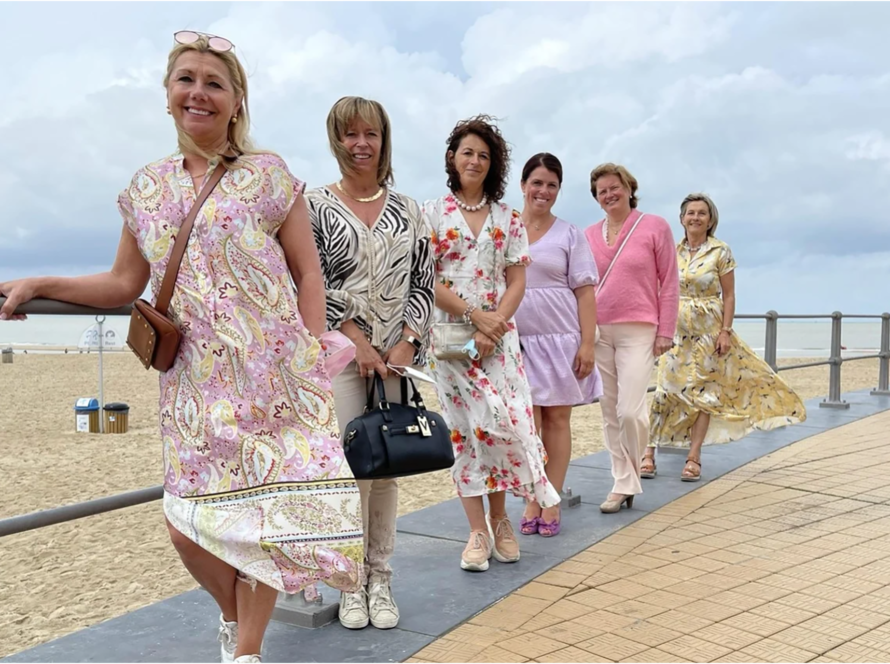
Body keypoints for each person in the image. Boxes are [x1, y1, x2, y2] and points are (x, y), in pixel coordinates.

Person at [0, 31, 364, 664]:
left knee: (268, 520)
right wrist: (41, 283)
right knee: (184, 523)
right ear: (168, 93)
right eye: (186, 80)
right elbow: (123, 283)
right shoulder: (147, 188)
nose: (199, 93)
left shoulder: (269, 174)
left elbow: (309, 272)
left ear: (237, 100)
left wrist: (310, 350)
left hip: (276, 379)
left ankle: (245, 652)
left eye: (214, 83)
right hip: (193, 387)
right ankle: (234, 616)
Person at [306, 96, 435, 630]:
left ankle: (380, 577)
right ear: (336, 140)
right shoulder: (314, 206)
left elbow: (423, 282)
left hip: (398, 360)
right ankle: (349, 582)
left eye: (371, 134)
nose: (361, 144)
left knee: (387, 469)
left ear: (384, 140)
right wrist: (357, 341)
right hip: (342, 357)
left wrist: (407, 343)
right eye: (350, 134)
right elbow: (311, 282)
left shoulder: (409, 209)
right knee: (351, 469)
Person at [423, 115, 560, 572]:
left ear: (493, 163)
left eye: (483, 155)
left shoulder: (508, 218)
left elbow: (517, 279)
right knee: (464, 432)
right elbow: (426, 279)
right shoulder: (432, 213)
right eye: (467, 152)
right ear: (452, 157)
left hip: (499, 341)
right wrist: (472, 316)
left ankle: (501, 520)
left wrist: (492, 325)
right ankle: (476, 530)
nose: (475, 161)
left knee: (501, 425)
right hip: (450, 341)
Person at [646, 193, 806, 480]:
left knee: (704, 394)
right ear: (681, 219)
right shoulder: (671, 250)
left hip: (708, 333)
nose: (695, 217)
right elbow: (660, 290)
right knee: (664, 391)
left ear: (710, 220)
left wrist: (725, 332)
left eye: (702, 213)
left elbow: (729, 295)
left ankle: (694, 456)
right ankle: (648, 452)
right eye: (690, 213)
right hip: (675, 333)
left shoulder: (720, 251)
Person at [514, 152, 602, 537]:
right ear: (523, 185)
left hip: (560, 338)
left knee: (557, 420)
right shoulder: (506, 228)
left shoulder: (569, 234)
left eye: (552, 185)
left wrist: (587, 344)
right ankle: (532, 495)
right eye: (537, 182)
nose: (543, 191)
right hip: (516, 342)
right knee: (527, 425)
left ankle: (550, 499)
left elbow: (585, 292)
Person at [584, 163, 679, 514]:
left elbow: (670, 282)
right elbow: (582, 286)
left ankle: (630, 474)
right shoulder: (589, 234)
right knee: (609, 410)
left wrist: (666, 330)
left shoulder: (655, 226)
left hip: (640, 329)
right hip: (599, 330)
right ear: (596, 198)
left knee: (630, 411)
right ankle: (622, 481)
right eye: (602, 191)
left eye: (615, 187)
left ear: (628, 188)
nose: (609, 194)